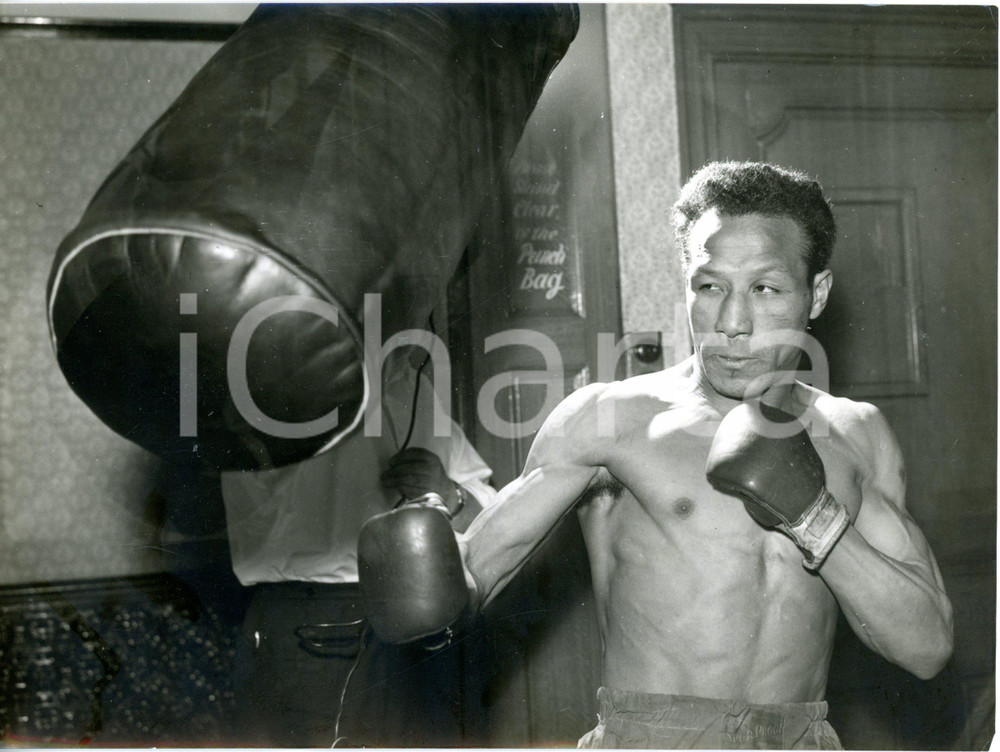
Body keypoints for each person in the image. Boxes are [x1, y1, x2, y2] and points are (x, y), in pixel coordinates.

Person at [449, 162, 953, 748]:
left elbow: (927, 647)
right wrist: (430, 576)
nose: (732, 324)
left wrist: (815, 517)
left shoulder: (856, 434)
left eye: (765, 289)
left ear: (816, 294)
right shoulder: (610, 420)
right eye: (710, 286)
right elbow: (473, 575)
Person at [220, 341, 497, 747]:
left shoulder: (405, 387)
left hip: (424, 626)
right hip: (313, 622)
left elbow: (487, 505)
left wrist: (447, 491)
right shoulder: (270, 386)